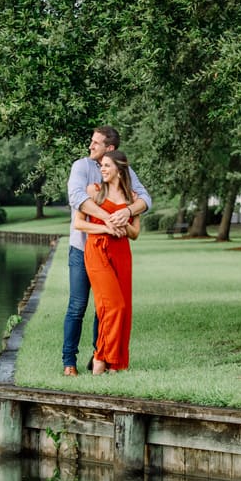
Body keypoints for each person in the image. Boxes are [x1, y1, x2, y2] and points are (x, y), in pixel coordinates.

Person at [63, 126, 150, 376]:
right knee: (78, 305)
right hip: (84, 248)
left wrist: (128, 212)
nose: (90, 146)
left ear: (109, 150)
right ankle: (69, 362)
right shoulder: (81, 168)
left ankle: (99, 356)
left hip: (118, 252)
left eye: (96, 143)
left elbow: (145, 200)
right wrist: (108, 221)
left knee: (108, 307)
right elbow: (76, 198)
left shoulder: (124, 172)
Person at [73, 149, 140, 374]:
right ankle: (100, 357)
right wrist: (105, 226)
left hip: (122, 252)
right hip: (97, 249)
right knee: (112, 306)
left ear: (120, 171)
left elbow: (135, 233)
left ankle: (116, 363)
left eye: (107, 165)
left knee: (123, 308)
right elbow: (79, 224)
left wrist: (124, 222)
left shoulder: (133, 198)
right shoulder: (94, 191)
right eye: (101, 165)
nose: (102, 169)